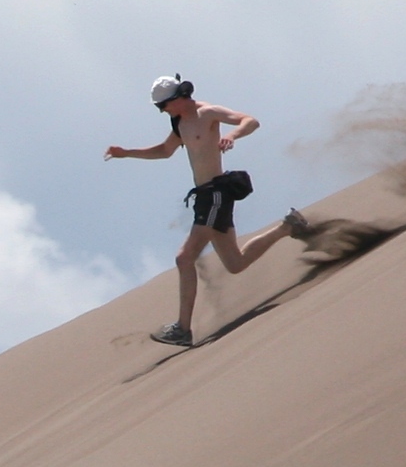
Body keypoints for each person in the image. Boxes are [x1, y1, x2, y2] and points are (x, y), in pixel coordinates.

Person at [105, 75, 309, 345]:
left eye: (163, 106)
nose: (162, 111)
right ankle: (288, 226)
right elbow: (165, 151)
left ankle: (182, 329)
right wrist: (127, 153)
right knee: (235, 263)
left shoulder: (208, 112)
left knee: (184, 258)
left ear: (176, 99)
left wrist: (232, 135)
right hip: (205, 197)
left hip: (215, 193)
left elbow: (250, 120)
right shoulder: (179, 123)